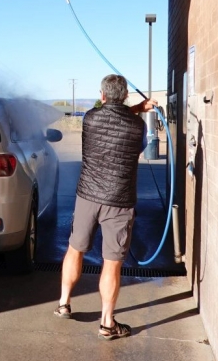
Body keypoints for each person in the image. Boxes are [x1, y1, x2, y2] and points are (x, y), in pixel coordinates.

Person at [54, 74, 157, 340]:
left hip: (87, 195)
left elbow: (108, 113)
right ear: (124, 96)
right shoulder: (137, 128)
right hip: (119, 201)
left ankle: (64, 303)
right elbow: (134, 138)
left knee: (75, 249)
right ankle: (107, 323)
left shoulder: (90, 118)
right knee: (111, 262)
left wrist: (131, 109)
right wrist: (139, 110)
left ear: (102, 96)